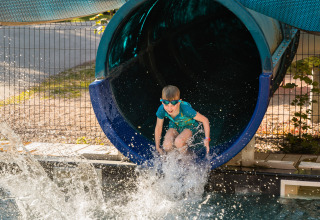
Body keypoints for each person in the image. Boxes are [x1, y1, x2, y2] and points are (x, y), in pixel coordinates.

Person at [154, 85, 210, 155]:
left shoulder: (186, 110)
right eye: (166, 105)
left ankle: (189, 159)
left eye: (173, 105)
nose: (169, 108)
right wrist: (157, 146)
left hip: (189, 125)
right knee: (166, 145)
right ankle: (174, 160)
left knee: (179, 142)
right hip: (175, 124)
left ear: (179, 102)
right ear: (162, 102)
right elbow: (159, 127)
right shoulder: (162, 109)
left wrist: (207, 138)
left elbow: (205, 120)